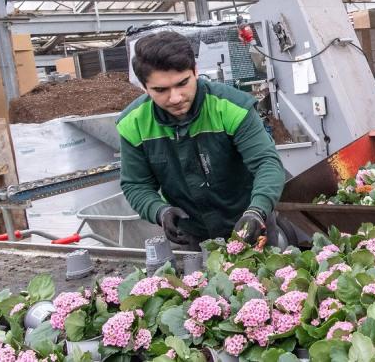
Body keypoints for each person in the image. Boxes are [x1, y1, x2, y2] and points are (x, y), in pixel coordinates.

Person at [117, 30, 286, 248]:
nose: (175, 98)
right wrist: (160, 211)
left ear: (195, 71)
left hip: (250, 225)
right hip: (192, 234)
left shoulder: (231, 107)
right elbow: (136, 184)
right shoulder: (134, 123)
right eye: (161, 90)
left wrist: (257, 210)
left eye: (182, 83)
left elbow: (267, 163)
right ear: (144, 87)